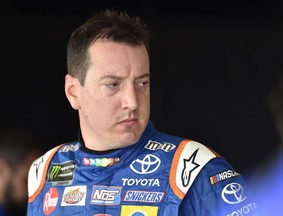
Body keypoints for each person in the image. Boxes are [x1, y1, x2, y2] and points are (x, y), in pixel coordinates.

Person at [27, 9, 258, 215]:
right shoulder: (45, 171)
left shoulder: (194, 168)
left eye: (141, 83)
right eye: (113, 84)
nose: (132, 102)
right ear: (73, 92)